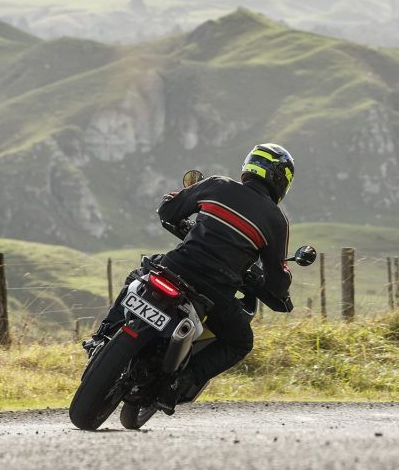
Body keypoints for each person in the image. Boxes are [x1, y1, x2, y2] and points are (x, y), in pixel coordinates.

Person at [87, 142, 295, 414]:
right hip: (215, 293)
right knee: (240, 341)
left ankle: (102, 336)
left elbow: (169, 209)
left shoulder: (218, 185)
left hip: (175, 268)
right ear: (281, 180)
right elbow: (277, 281)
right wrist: (279, 278)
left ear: (249, 165)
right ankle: (179, 382)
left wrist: (179, 207)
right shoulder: (276, 221)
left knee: (137, 277)